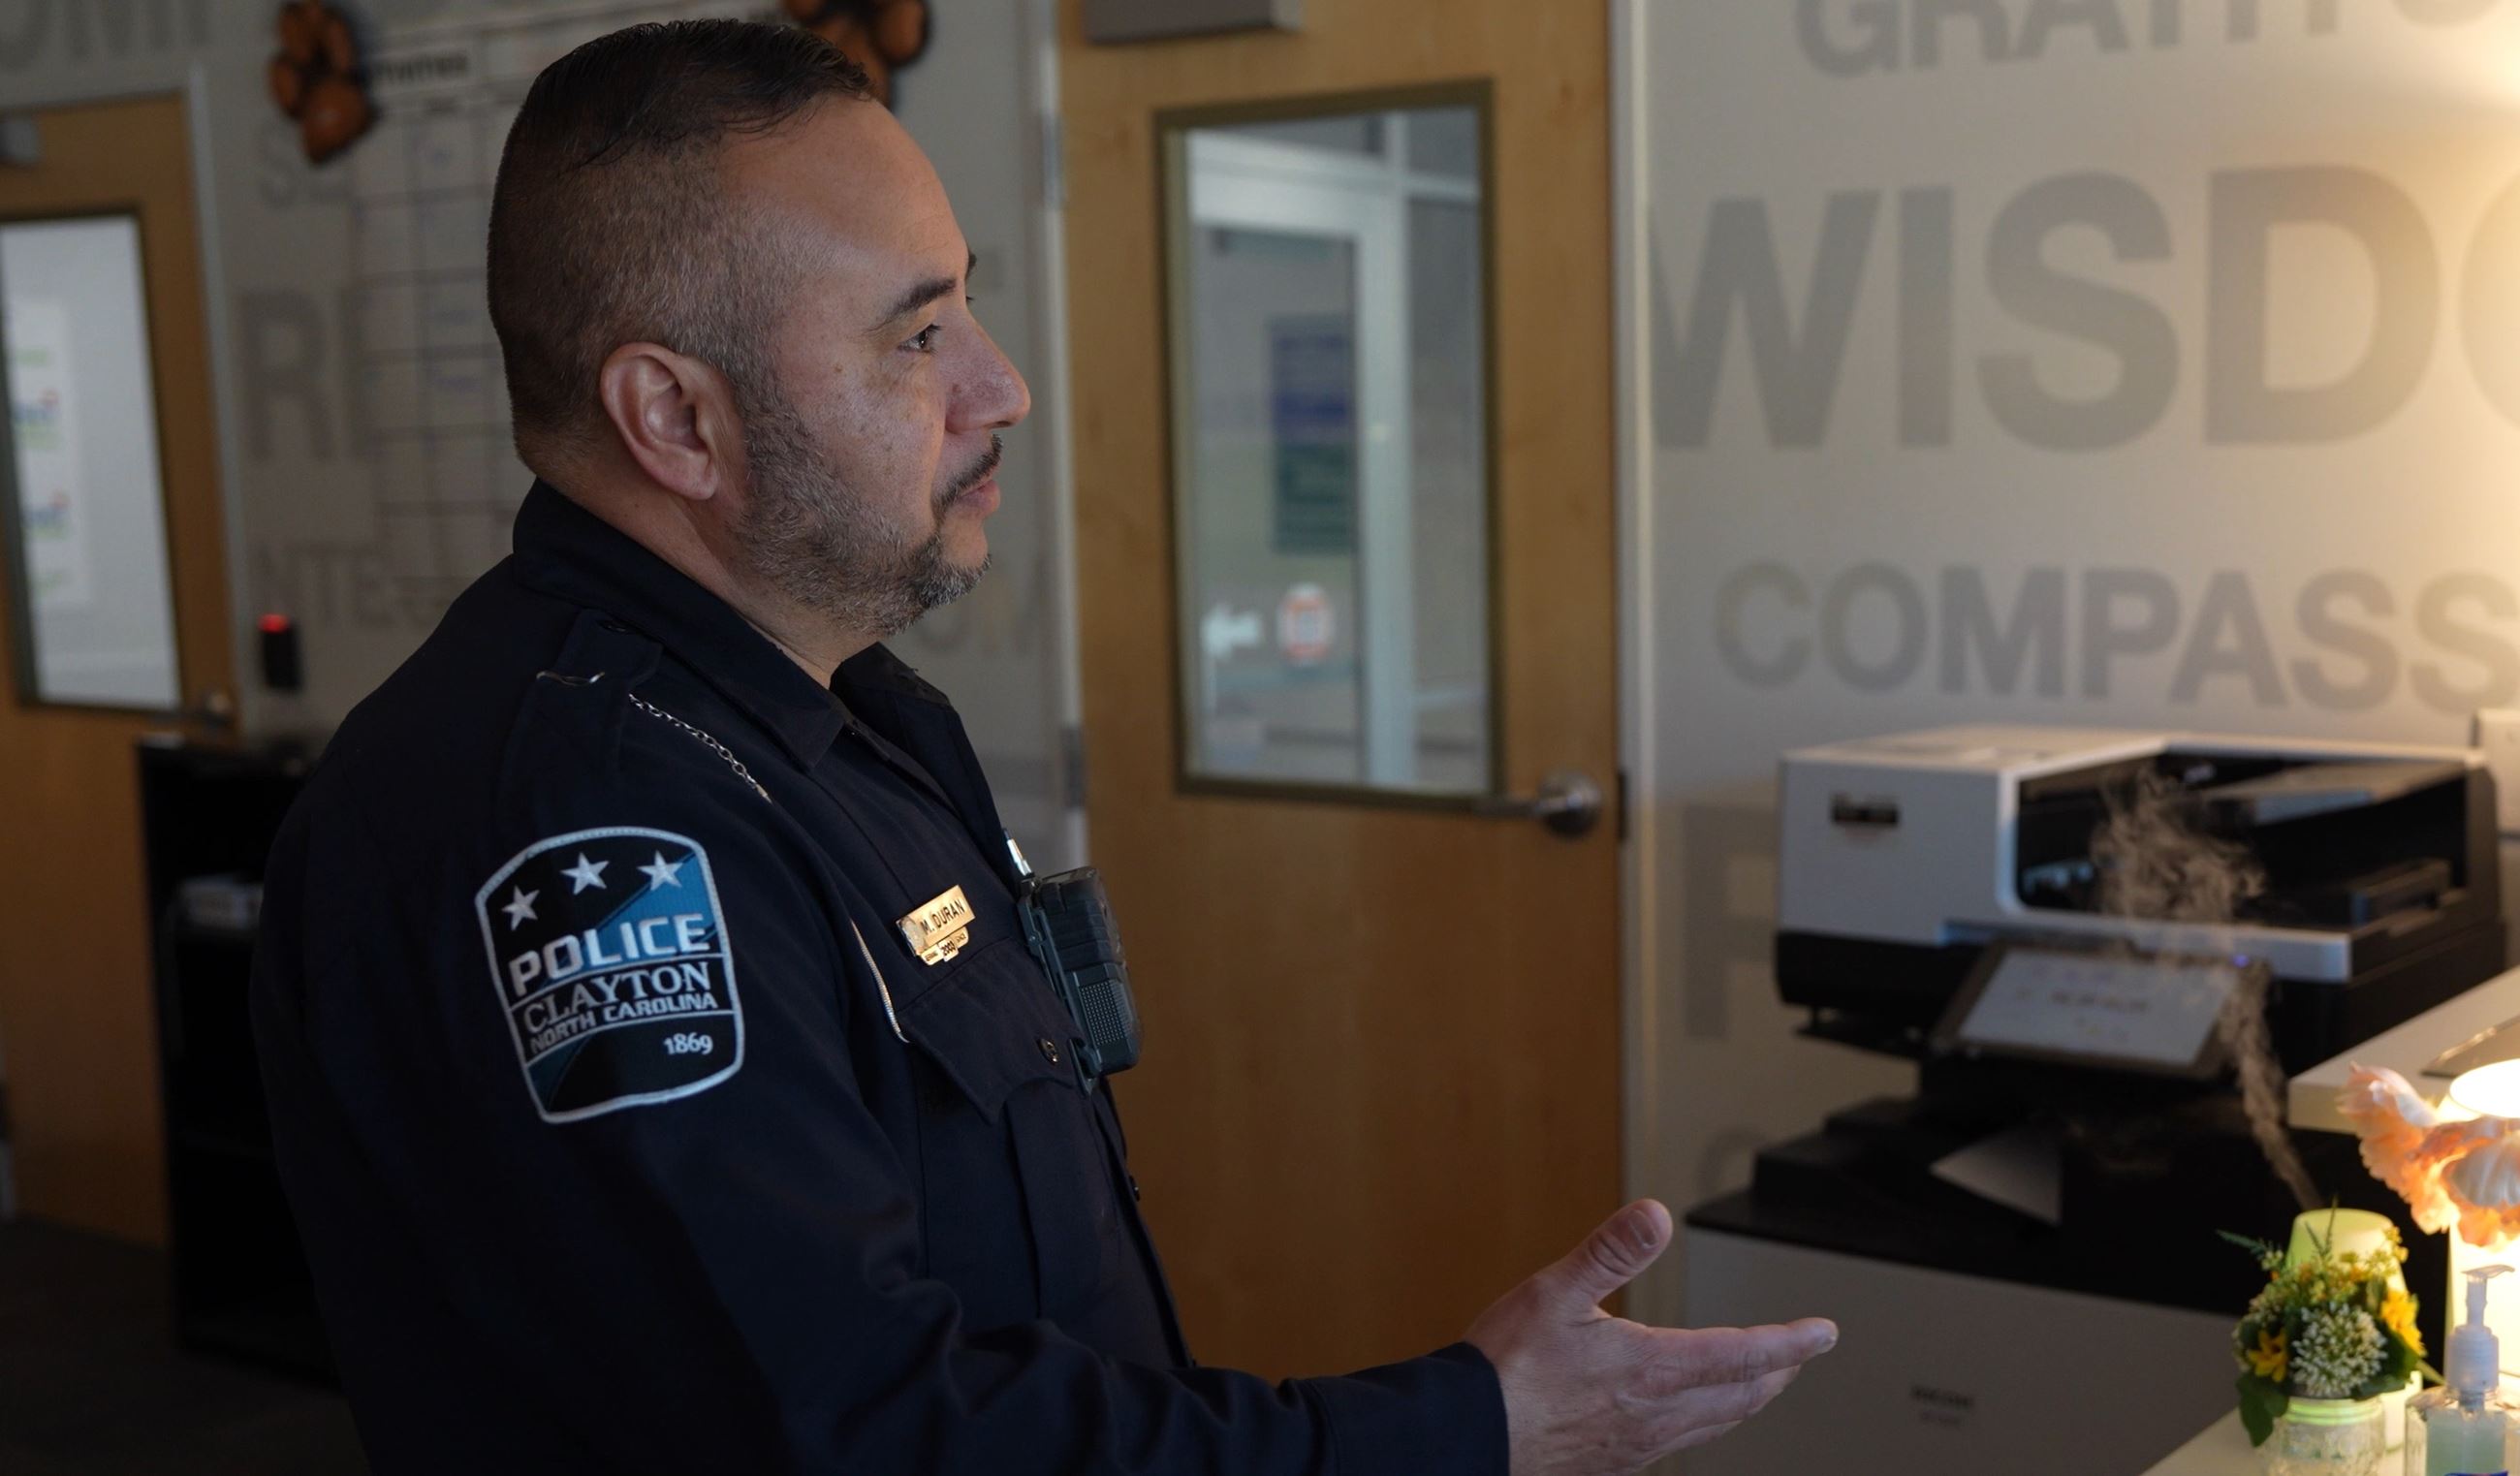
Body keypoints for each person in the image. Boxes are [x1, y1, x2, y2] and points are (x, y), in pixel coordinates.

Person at [247, 19, 1836, 1474]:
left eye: (968, 299)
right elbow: (856, 1431)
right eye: (917, 333)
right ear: (675, 419)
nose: (998, 387)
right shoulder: (583, 829)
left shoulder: (849, 712)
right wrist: (1455, 1432)